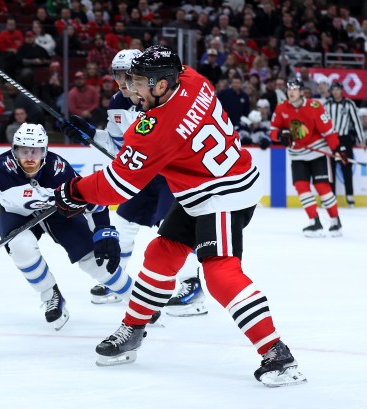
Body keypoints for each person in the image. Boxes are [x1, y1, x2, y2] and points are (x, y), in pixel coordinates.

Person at [54, 45, 306, 387]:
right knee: (160, 255)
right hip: (205, 187)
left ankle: (277, 353)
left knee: (219, 272)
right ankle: (134, 328)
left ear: (161, 85)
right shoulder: (191, 78)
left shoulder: (159, 128)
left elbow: (118, 185)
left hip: (223, 194)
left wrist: (74, 192)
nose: (131, 90)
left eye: (140, 83)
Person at [0, 123, 133, 331]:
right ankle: (51, 295)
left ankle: (139, 301)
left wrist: (103, 230)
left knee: (94, 261)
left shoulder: (58, 169)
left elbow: (90, 200)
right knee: (20, 246)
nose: (30, 158)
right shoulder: (2, 168)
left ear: (46, 150)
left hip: (58, 213)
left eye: (36, 151)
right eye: (24, 151)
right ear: (14, 151)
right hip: (17, 214)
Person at [64, 49, 207, 316]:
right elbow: (118, 147)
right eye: (117, 75)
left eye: (127, 75)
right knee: (123, 225)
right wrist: (91, 134)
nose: (121, 82)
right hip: (143, 175)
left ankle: (192, 285)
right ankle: (118, 281)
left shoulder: (162, 99)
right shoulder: (118, 103)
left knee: (172, 229)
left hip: (169, 174)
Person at [270, 79, 345, 237]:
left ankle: (335, 220)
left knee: (322, 187)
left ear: (302, 92)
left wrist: (337, 148)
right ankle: (314, 221)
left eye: (295, 89)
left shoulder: (314, 106)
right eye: (289, 89)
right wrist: (280, 136)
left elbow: (328, 131)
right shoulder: (281, 107)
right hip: (296, 154)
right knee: (301, 187)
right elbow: (274, 129)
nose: (292, 92)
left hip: (317, 151)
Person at [324, 82, 364, 208]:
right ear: (331, 91)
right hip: (330, 138)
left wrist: (361, 140)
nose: (336, 92)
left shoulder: (349, 104)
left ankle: (350, 197)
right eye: (333, 90)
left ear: (341, 91)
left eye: (338, 89)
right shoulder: (327, 105)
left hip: (345, 139)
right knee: (330, 170)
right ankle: (331, 198)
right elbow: (322, 123)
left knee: (347, 167)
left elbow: (356, 122)